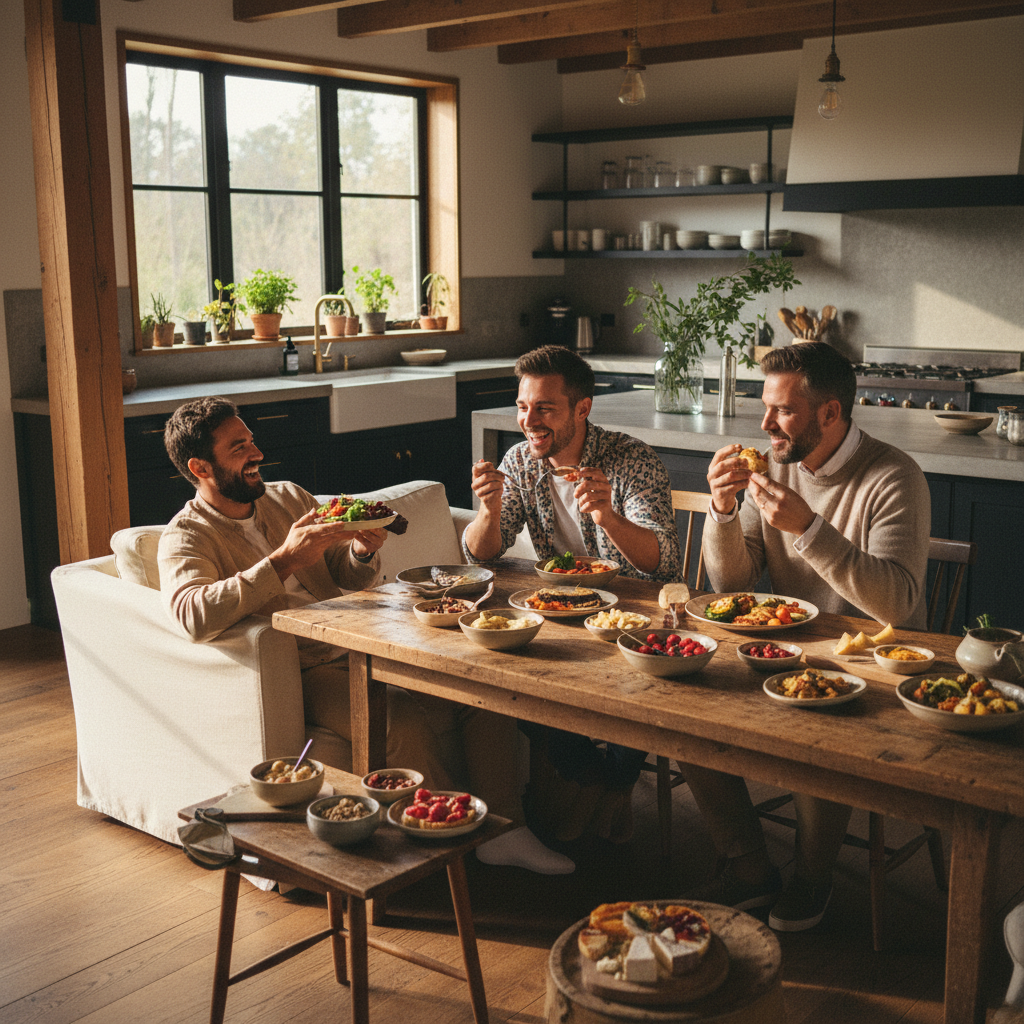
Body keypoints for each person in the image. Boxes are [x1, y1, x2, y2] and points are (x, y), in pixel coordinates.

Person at [158, 396, 573, 875]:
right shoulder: (186, 536)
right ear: (199, 466)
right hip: (303, 667)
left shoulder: (287, 497)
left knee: (479, 687)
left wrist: (358, 550)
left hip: (357, 640)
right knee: (399, 716)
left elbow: (346, 575)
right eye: (238, 447)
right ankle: (448, 840)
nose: (256, 453)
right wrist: (284, 560)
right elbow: (191, 614)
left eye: (251, 439)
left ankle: (508, 830)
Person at [696, 341, 930, 930]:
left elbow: (899, 604)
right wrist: (722, 510)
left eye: (782, 411)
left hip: (875, 661)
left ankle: (812, 874)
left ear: (830, 413)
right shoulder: (772, 463)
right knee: (686, 697)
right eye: (765, 406)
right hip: (785, 645)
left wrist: (808, 527)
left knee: (820, 713)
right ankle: (748, 863)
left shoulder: (893, 475)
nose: (765, 423)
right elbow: (734, 582)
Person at [463, 346, 683, 842]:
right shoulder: (520, 460)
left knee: (651, 695)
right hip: (560, 613)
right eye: (522, 406)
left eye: (544, 408)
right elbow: (483, 556)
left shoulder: (632, 460)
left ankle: (607, 787)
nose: (528, 420)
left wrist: (608, 516)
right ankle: (599, 781)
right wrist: (488, 511)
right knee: (507, 682)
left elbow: (664, 563)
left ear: (582, 409)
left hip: (635, 617)